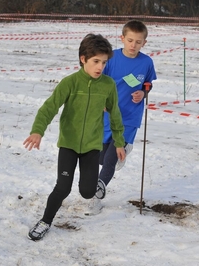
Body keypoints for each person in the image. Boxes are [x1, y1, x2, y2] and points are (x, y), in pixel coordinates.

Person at [23, 33, 126, 241]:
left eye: (104, 62)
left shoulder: (108, 85)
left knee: (87, 192)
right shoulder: (70, 83)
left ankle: (94, 185)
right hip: (69, 145)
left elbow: (115, 114)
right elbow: (49, 107)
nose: (100, 67)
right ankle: (45, 221)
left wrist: (119, 142)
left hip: (91, 146)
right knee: (62, 187)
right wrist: (37, 130)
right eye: (96, 61)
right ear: (83, 59)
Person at [85, 20, 157, 215]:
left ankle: (96, 195)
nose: (133, 45)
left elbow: (148, 85)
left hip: (130, 117)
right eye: (130, 40)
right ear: (122, 38)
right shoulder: (111, 58)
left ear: (144, 43)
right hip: (108, 115)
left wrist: (143, 92)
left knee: (110, 159)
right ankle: (120, 155)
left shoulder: (146, 62)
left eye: (138, 42)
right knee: (102, 156)